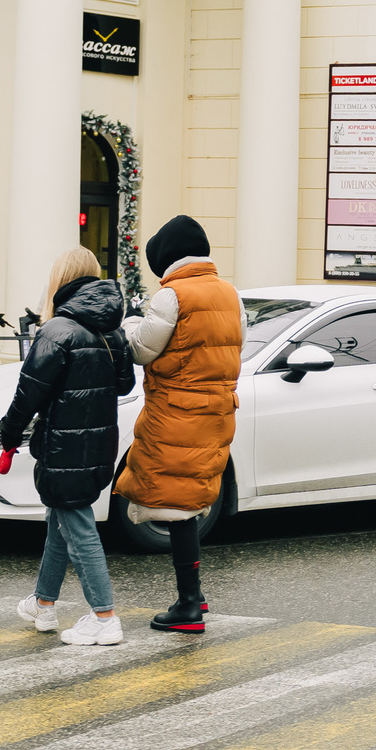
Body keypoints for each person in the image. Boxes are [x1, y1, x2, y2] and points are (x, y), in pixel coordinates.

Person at [5, 248, 134, 646]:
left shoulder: (57, 330)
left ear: (60, 279)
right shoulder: (112, 329)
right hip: (98, 442)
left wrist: (8, 437)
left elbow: (28, 395)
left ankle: (105, 616)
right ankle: (43, 604)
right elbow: (125, 384)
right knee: (59, 521)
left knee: (77, 525)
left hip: (63, 445)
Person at [118, 215, 240, 633]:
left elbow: (141, 350)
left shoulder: (172, 297)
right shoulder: (231, 294)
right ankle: (195, 597)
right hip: (217, 411)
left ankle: (189, 603)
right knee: (190, 497)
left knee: (178, 506)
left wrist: (131, 322)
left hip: (177, 413)